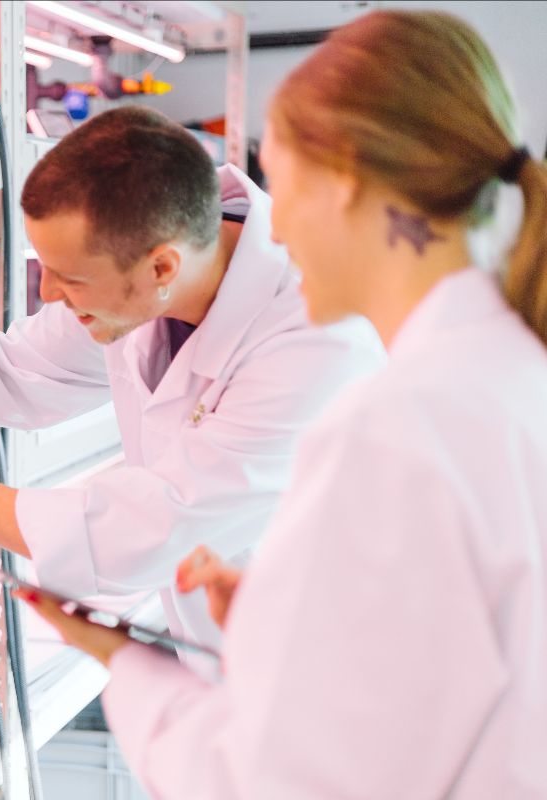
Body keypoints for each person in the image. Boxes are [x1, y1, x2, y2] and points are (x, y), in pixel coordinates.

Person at [27, 10, 547, 798]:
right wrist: (285, 632)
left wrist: (127, 663)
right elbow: (442, 666)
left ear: (341, 186)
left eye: (281, 179)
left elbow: (275, 781)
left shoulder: (398, 426)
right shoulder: (507, 375)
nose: (274, 224)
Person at [0, 107, 383, 652]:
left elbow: (141, 534)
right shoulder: (159, 269)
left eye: (71, 278)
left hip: (333, 679)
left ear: (162, 265)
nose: (49, 293)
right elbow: (19, 369)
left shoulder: (315, 345)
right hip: (234, 659)